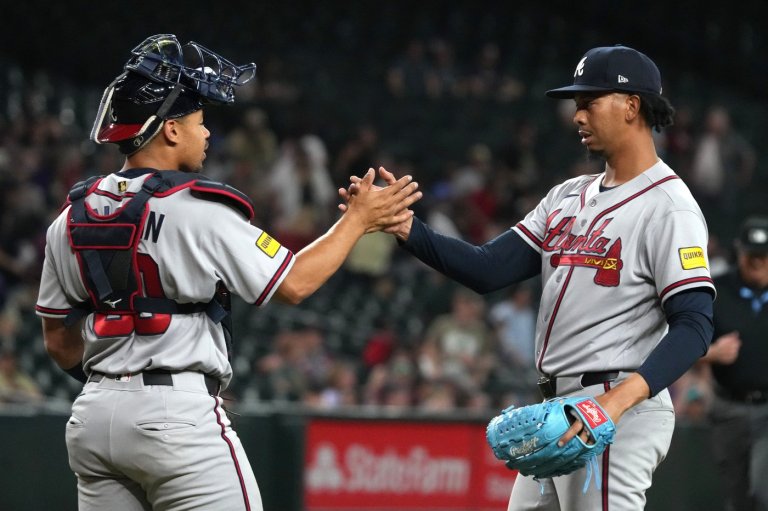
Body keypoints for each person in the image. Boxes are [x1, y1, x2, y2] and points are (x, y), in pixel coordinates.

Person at [35, 34, 421, 511]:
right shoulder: (199, 208)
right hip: (176, 417)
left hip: (93, 419)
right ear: (171, 130)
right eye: (199, 121)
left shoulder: (68, 219)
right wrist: (358, 220)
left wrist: (119, 381)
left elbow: (58, 341)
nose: (207, 133)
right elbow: (294, 283)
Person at [341, 45, 715, 510]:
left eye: (588, 102)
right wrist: (406, 228)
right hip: (556, 411)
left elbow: (695, 326)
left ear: (631, 105)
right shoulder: (566, 195)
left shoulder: (669, 206)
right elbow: (487, 268)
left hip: (618, 408)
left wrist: (615, 405)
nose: (577, 115)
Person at [703, 216, 768, 511]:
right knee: (738, 497)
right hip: (729, 409)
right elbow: (682, 343)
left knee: (762, 488)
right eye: (752, 254)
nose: (758, 261)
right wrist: (711, 352)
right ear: (739, 252)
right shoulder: (716, 292)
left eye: (764, 254)